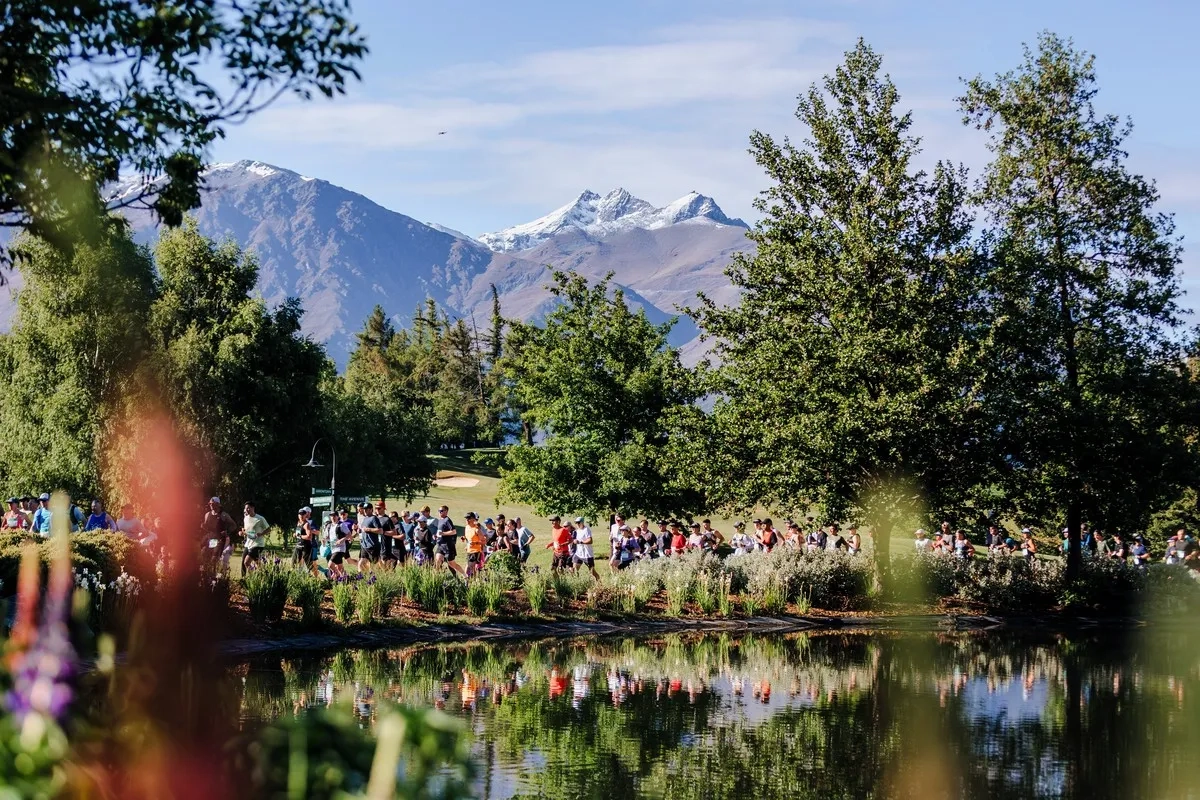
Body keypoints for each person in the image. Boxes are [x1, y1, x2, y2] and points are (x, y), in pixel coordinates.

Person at [201, 497, 236, 572]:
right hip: (209, 539)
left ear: (218, 504)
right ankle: (206, 574)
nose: (211, 505)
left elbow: (233, 525)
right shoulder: (207, 514)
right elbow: (207, 527)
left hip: (219, 540)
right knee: (204, 556)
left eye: (213, 504)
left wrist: (227, 531)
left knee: (214, 559)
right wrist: (203, 526)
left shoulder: (224, 515)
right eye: (210, 504)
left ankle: (213, 575)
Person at [434, 506, 465, 578]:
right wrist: (436, 536)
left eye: (441, 511)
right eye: (439, 511)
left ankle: (465, 575)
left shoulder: (447, 520)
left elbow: (454, 531)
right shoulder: (440, 520)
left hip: (448, 546)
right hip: (440, 545)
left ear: (446, 511)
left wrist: (443, 533)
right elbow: (440, 532)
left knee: (452, 564)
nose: (440, 512)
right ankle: (436, 578)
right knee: (438, 560)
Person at [328, 508, 355, 578]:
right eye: (331, 516)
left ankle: (336, 574)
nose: (333, 517)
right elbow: (330, 536)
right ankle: (346, 579)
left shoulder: (341, 525)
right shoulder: (330, 526)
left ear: (337, 517)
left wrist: (342, 540)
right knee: (340, 568)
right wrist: (325, 539)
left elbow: (349, 534)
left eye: (334, 516)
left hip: (340, 549)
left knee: (330, 565)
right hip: (333, 549)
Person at [293, 506, 318, 571]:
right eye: (300, 514)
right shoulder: (298, 523)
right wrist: (295, 534)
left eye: (303, 514)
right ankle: (299, 575)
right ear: (298, 515)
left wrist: (300, 536)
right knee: (294, 563)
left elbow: (311, 535)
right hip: (298, 545)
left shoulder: (308, 523)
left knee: (310, 565)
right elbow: (298, 533)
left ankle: (316, 576)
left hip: (308, 546)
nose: (301, 515)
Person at [464, 512, 486, 577]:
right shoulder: (467, 527)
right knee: (471, 568)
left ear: (473, 519)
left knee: (469, 567)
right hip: (469, 551)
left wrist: (475, 543)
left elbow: (484, 541)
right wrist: (464, 539)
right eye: (466, 518)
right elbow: (468, 538)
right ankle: (473, 580)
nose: (467, 520)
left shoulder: (477, 530)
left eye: (469, 518)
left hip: (476, 551)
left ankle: (467, 580)